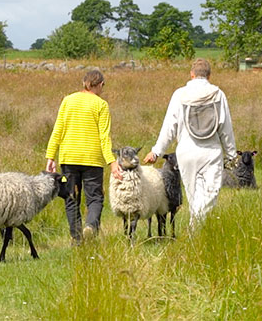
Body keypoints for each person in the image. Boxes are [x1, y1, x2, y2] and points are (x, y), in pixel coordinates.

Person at [143, 58, 236, 227]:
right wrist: (231, 155)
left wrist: (156, 151)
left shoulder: (180, 94)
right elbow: (225, 126)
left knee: (194, 197)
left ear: (191, 75)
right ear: (209, 75)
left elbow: (169, 126)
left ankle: (196, 238)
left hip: (186, 152)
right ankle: (197, 235)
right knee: (208, 196)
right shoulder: (218, 94)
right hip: (211, 152)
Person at [45, 70, 123, 243]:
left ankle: (76, 238)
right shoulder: (101, 105)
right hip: (92, 160)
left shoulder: (67, 100)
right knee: (95, 197)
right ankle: (91, 226)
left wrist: (50, 156)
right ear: (100, 84)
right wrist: (112, 162)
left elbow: (57, 130)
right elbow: (105, 137)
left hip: (68, 159)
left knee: (71, 197)